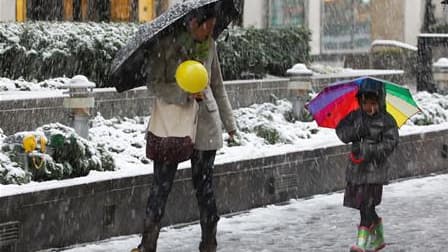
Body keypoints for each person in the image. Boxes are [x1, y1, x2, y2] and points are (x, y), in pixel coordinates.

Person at [132, 4, 237, 252]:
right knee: (161, 184)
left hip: (205, 124)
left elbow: (217, 86)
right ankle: (148, 244)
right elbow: (156, 85)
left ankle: (209, 242)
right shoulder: (166, 46)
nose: (209, 34)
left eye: (213, 29)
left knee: (204, 186)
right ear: (193, 23)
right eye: (206, 29)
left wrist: (230, 124)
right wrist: (184, 92)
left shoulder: (210, 45)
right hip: (174, 124)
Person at [335, 79, 399, 252]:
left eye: (373, 103)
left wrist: (369, 149)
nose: (369, 107)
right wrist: (356, 132)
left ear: (380, 102)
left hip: (375, 171)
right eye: (365, 103)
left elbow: (390, 143)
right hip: (356, 170)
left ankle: (361, 243)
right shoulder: (356, 117)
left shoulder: (387, 121)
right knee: (364, 205)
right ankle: (378, 237)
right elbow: (341, 132)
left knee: (366, 205)